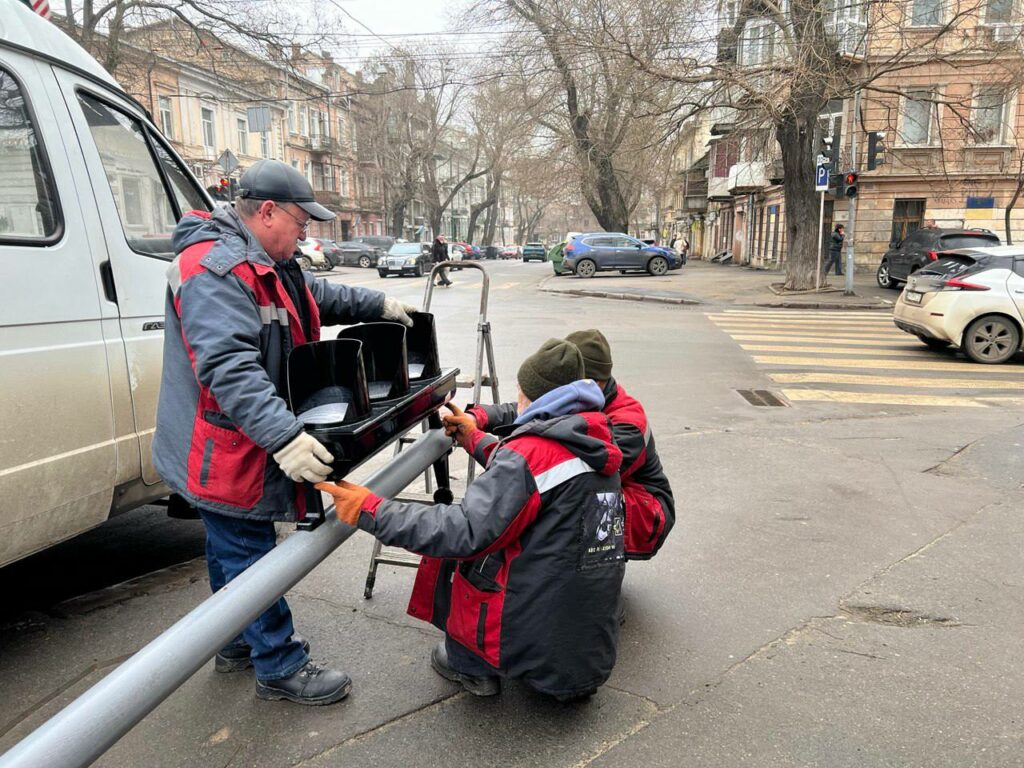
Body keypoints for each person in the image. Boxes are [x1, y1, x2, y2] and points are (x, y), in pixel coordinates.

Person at [152, 159, 418, 706]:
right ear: (267, 211)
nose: (306, 235)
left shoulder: (265, 258)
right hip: (223, 444)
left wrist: (380, 304)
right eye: (300, 222)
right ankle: (279, 663)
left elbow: (311, 296)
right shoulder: (216, 268)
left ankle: (230, 641)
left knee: (228, 544)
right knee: (248, 550)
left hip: (230, 440)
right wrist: (285, 438)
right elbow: (228, 368)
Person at [317, 339, 626, 701]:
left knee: (462, 559)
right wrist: (473, 437)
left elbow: (463, 531)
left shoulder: (529, 457)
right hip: (583, 654)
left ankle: (470, 664)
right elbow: (531, 474)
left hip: (532, 629)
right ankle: (551, 676)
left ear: (532, 396)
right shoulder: (594, 439)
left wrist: (370, 509)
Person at [466, 329, 674, 560]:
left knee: (561, 499)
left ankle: (590, 572)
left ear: (589, 380)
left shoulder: (628, 423)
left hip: (645, 513)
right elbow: (529, 409)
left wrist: (474, 440)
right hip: (611, 496)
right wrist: (477, 418)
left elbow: (551, 474)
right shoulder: (585, 398)